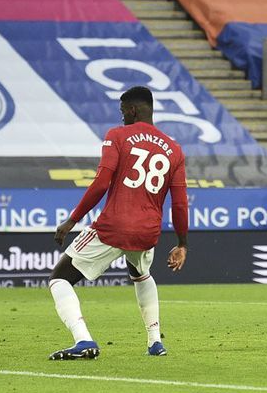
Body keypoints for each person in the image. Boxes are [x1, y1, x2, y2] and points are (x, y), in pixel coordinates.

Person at [49, 86, 188, 360]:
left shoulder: (118, 135)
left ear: (133, 109)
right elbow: (180, 203)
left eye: (123, 110)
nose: (121, 116)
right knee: (140, 274)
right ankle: (154, 341)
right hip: (148, 231)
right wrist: (182, 243)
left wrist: (72, 220)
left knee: (59, 279)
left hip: (114, 226)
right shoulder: (174, 149)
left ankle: (83, 340)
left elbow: (102, 182)